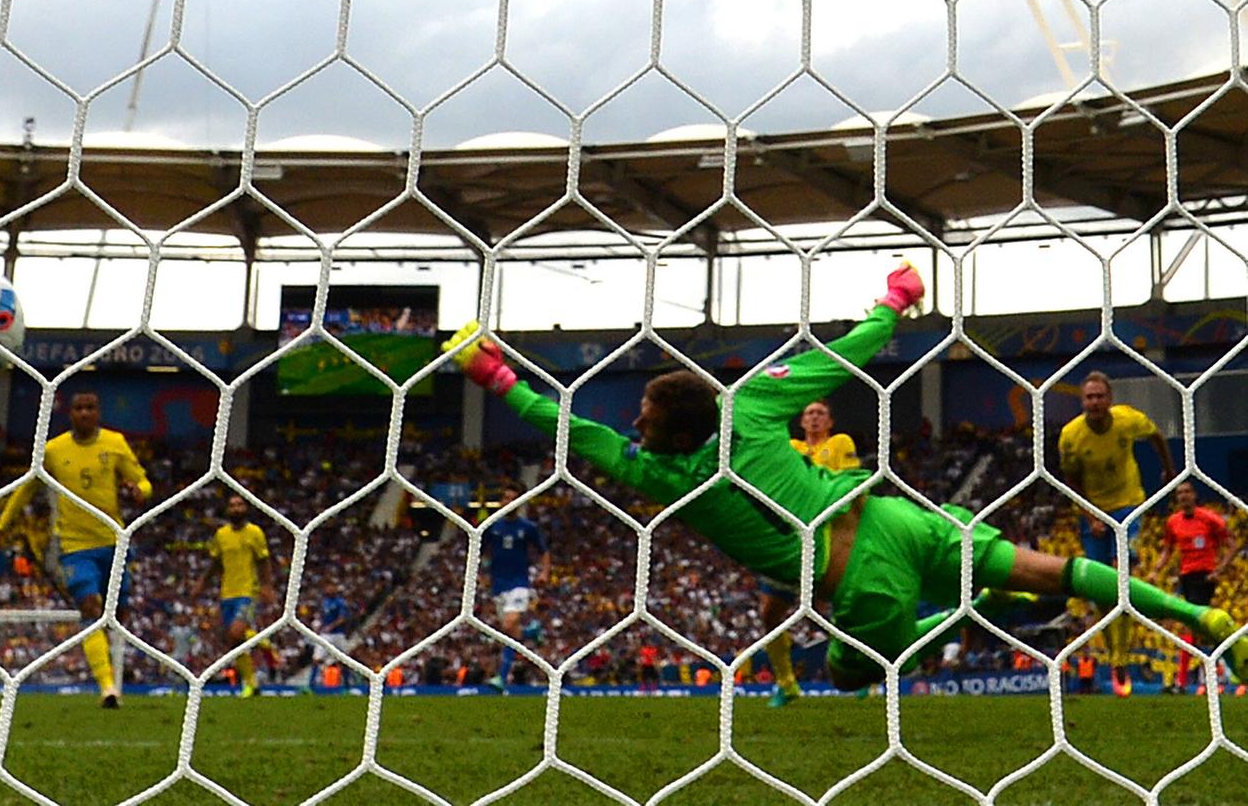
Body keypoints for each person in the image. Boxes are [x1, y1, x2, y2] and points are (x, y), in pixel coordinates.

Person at [443, 263, 1248, 691]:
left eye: (643, 417)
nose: (633, 424)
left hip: (861, 582)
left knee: (850, 674)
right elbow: (842, 356)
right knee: (1053, 570)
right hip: (896, 518)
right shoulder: (751, 403)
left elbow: (571, 427)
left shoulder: (658, 476)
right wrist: (892, 302)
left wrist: (498, 378)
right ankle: (1205, 624)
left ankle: (963, 618)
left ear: (664, 430)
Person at [0, 391, 152, 708]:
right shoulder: (53, 450)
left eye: (90, 408)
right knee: (91, 610)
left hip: (114, 542)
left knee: (116, 617)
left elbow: (143, 481)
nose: (84, 413)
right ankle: (108, 688)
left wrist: (140, 491)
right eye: (79, 408)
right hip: (73, 546)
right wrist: (1, 527)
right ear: (70, 413)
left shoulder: (115, 443)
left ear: (98, 412)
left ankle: (104, 663)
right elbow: (26, 487)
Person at [1058, 370, 1176, 697]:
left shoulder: (1127, 420)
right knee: (1100, 592)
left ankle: (1121, 657)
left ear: (1109, 399)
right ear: (1082, 402)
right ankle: (1114, 657)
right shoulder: (1071, 436)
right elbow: (1070, 481)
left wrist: (1168, 468)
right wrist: (1090, 515)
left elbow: (1156, 436)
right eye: (1089, 397)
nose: (1094, 402)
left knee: (1120, 576)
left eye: (1099, 396)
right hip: (1094, 511)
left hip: (1129, 506)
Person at [760, 399, 861, 706]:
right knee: (769, 612)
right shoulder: (790, 446)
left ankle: (861, 675)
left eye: (820, 414)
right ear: (801, 422)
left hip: (829, 537)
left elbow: (851, 484)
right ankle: (786, 682)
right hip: (790, 538)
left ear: (830, 421)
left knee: (841, 609)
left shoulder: (841, 443)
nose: (814, 418)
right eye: (809, 414)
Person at [1148, 482, 1237, 694]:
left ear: (1194, 495)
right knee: (1202, 629)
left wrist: (1219, 570)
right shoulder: (1173, 522)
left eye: (1187, 492)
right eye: (1180, 493)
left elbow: (1232, 545)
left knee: (1192, 626)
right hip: (1185, 577)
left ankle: (1183, 683)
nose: (1184, 496)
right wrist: (1155, 571)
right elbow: (1167, 551)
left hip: (1205, 578)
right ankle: (1213, 679)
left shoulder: (1209, 518)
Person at [193, 494, 277, 698]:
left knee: (236, 633)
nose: (236, 508)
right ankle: (252, 682)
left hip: (248, 592)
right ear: (228, 510)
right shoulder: (221, 535)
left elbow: (264, 561)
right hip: (226, 594)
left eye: (240, 504)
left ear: (246, 509)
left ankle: (265, 649)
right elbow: (215, 563)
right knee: (233, 642)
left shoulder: (255, 533)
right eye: (232, 505)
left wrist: (266, 585)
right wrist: (202, 583)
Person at [482, 485, 550, 688]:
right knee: (512, 634)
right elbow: (481, 549)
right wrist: (482, 572)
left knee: (509, 625)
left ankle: (501, 678)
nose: (509, 502)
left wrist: (545, 572)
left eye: (514, 498)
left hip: (519, 583)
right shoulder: (492, 526)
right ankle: (531, 633)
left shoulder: (528, 527)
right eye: (506, 497)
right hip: (498, 585)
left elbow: (543, 551)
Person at [310, 582, 351, 688]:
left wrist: (331, 626)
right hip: (326, 635)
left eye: (332, 587)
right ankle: (311, 686)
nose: (329, 589)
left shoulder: (341, 602)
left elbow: (342, 618)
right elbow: (322, 616)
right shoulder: (324, 602)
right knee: (316, 659)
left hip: (338, 634)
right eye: (328, 587)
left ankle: (347, 685)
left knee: (345, 659)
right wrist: (319, 627)